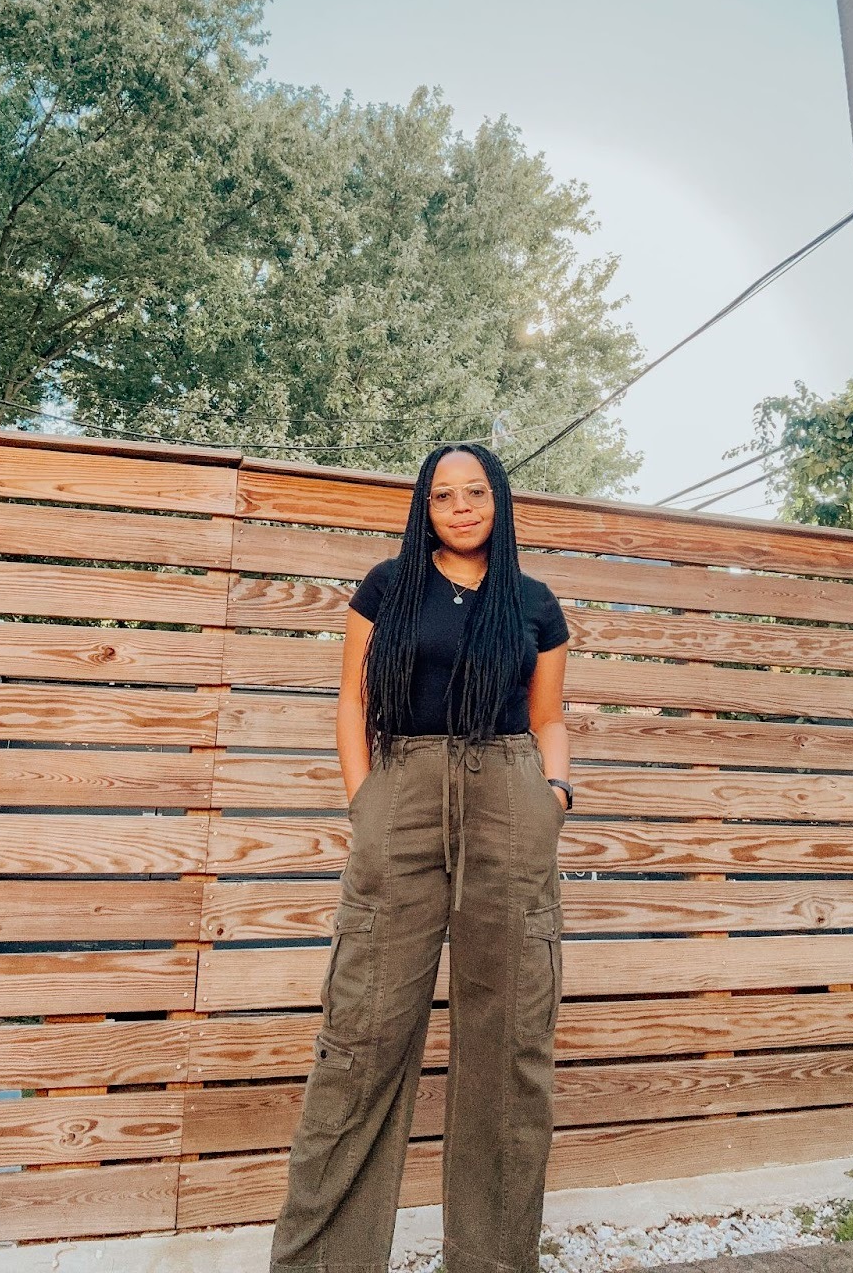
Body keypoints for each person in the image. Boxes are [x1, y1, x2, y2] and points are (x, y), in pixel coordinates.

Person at [269, 442, 573, 1273]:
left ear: (499, 502)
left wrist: (554, 793)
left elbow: (548, 716)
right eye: (444, 495)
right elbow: (353, 699)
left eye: (476, 492)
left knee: (510, 1047)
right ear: (424, 508)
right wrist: (365, 802)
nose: (461, 507)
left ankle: (491, 1262)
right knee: (361, 1034)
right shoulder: (387, 588)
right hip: (401, 794)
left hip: (510, 800)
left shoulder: (535, 604)